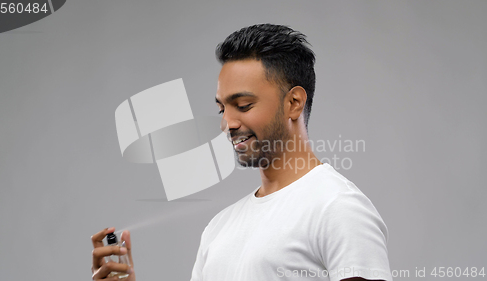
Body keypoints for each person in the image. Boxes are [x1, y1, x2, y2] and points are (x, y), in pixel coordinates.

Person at [91, 24, 392, 281]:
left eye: (244, 105)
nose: (227, 123)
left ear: (294, 103)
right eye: (222, 108)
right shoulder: (219, 228)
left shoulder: (338, 209)